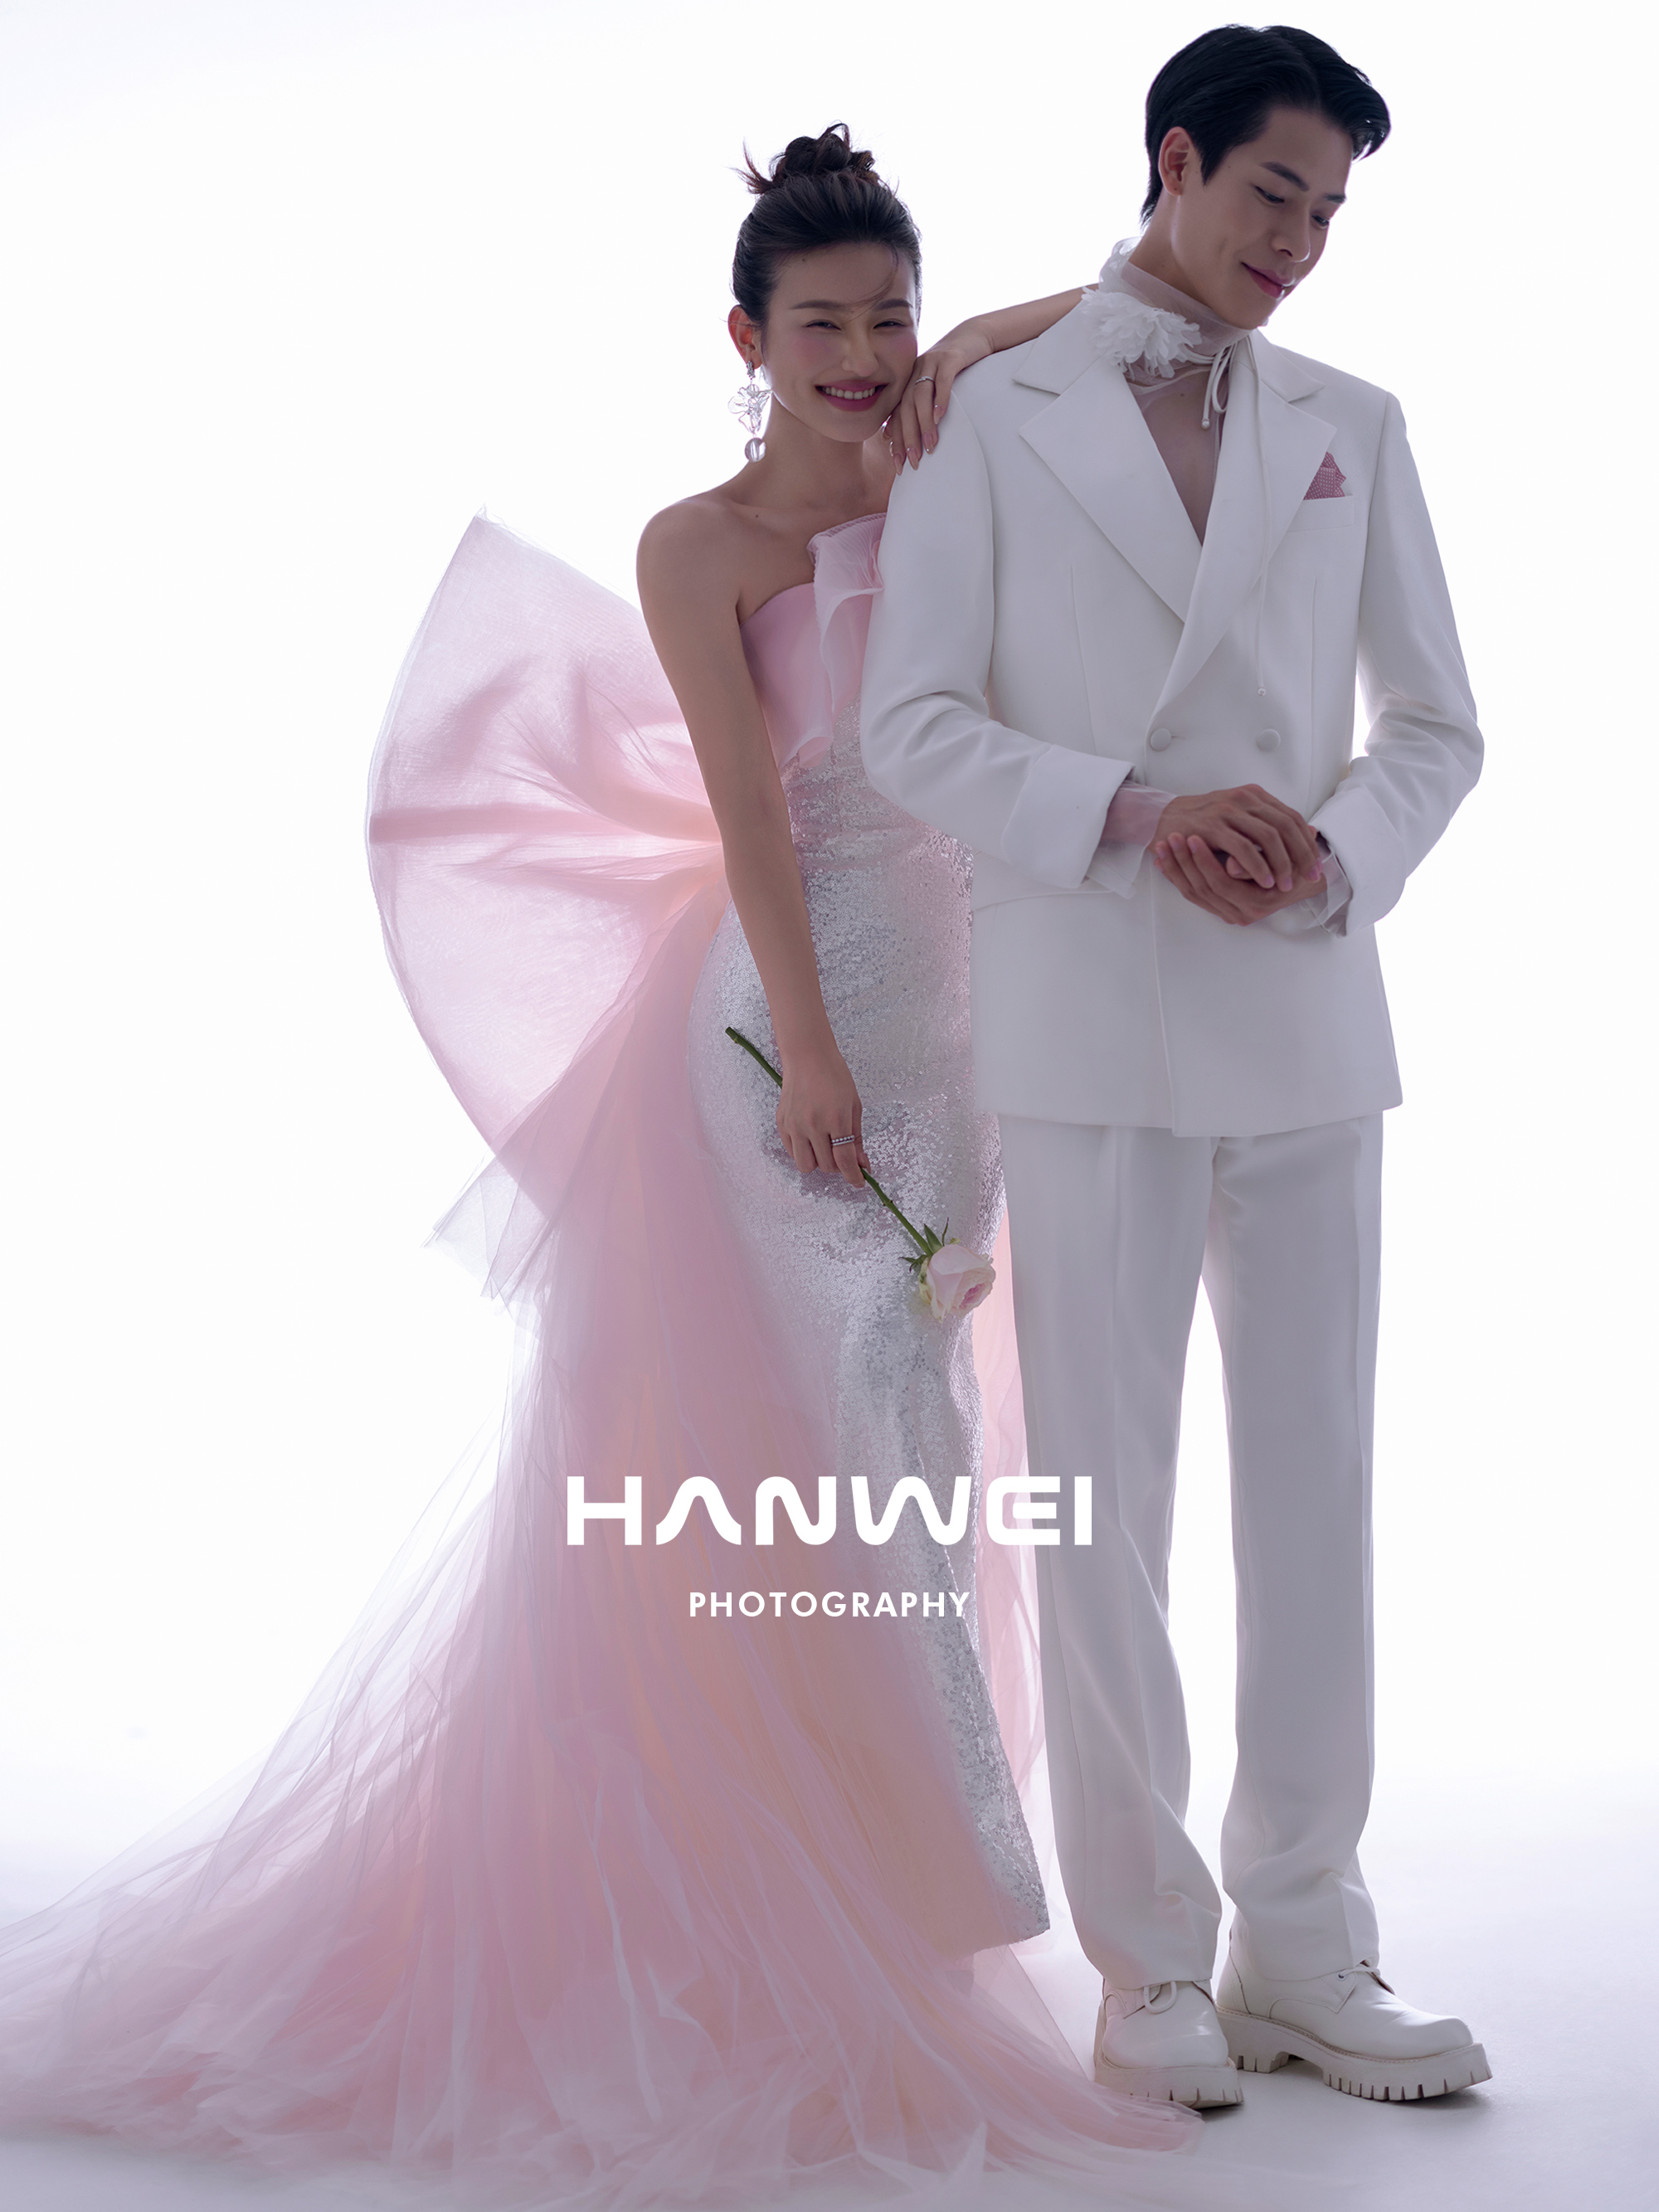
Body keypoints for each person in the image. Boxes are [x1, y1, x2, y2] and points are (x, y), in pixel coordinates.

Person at [0, 127, 1271, 2207]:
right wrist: (814, 1054)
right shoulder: (702, 544)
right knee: (845, 1439)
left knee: (917, 1440)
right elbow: (755, 814)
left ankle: (866, 1894)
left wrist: (998, 324)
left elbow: (1097, 320)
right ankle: (887, 1911)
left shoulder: (951, 473)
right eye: (819, 323)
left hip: (965, 1032)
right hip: (789, 1028)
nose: (859, 354)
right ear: (744, 338)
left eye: (889, 318)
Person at [863, 25, 1491, 2110]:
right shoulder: (984, 411)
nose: (1299, 242)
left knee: (1317, 1495)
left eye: (1331, 211)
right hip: (1091, 1012)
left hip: (1306, 1006)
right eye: (1272, 193)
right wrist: (1136, 813)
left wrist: (1336, 847)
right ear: (1175, 160)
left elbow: (1434, 726)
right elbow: (910, 720)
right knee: (1102, 1508)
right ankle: (1146, 1958)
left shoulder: (1353, 423)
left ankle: (1303, 1937)